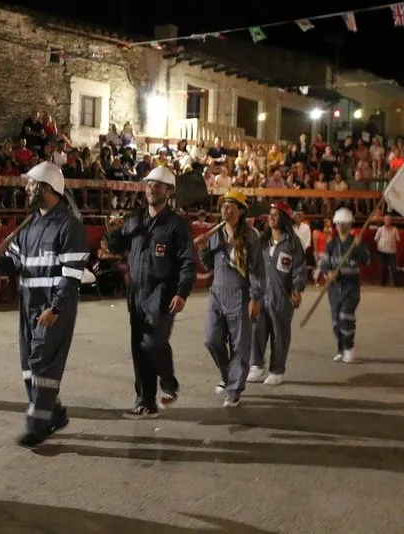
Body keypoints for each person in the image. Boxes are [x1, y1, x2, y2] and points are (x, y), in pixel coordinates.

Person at [0, 161, 89, 447]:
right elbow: (13, 264)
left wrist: (56, 308)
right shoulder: (28, 225)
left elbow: (71, 276)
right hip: (29, 306)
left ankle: (39, 424)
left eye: (31, 184)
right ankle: (54, 413)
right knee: (29, 365)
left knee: (43, 364)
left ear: (47, 188)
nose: (27, 188)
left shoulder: (69, 226)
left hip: (52, 308)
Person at [104, 166, 196, 418]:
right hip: (136, 292)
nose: (152, 189)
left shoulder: (177, 225)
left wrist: (182, 292)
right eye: (149, 184)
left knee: (153, 341)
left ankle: (168, 381)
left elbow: (187, 261)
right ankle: (146, 401)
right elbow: (115, 246)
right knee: (139, 347)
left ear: (169, 191)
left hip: (163, 291)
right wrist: (113, 231)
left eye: (158, 185)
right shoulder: (134, 220)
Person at [195, 190, 263, 407]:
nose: (226, 208)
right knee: (212, 339)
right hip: (216, 293)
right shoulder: (216, 234)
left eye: (231, 205)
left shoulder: (250, 236)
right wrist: (202, 250)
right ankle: (228, 376)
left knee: (239, 346)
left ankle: (234, 390)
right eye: (224, 204)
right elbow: (208, 265)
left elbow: (256, 270)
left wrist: (255, 297)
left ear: (241, 211)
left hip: (239, 295)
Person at [247, 201, 306, 386]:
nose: (271, 217)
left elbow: (299, 268)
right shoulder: (261, 242)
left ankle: (277, 370)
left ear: (285, 218)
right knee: (257, 330)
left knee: (279, 334)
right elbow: (253, 268)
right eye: (270, 214)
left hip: (282, 296)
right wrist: (254, 293)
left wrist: (297, 289)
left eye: (276, 214)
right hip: (261, 295)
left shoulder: (293, 243)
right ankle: (256, 366)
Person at [320, 207, 369, 363]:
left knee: (345, 317)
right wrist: (329, 273)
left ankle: (349, 348)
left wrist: (360, 247)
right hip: (334, 289)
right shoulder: (331, 244)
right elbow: (324, 263)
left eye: (344, 224)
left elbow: (366, 261)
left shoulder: (356, 242)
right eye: (339, 223)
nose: (341, 226)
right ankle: (341, 349)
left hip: (351, 287)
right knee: (336, 321)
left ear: (350, 225)